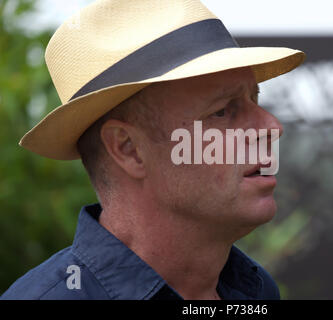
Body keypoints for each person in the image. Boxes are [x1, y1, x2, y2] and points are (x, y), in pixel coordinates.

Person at [1, 0, 305, 300]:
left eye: (255, 98)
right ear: (129, 149)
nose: (272, 126)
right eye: (223, 111)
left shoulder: (254, 290)